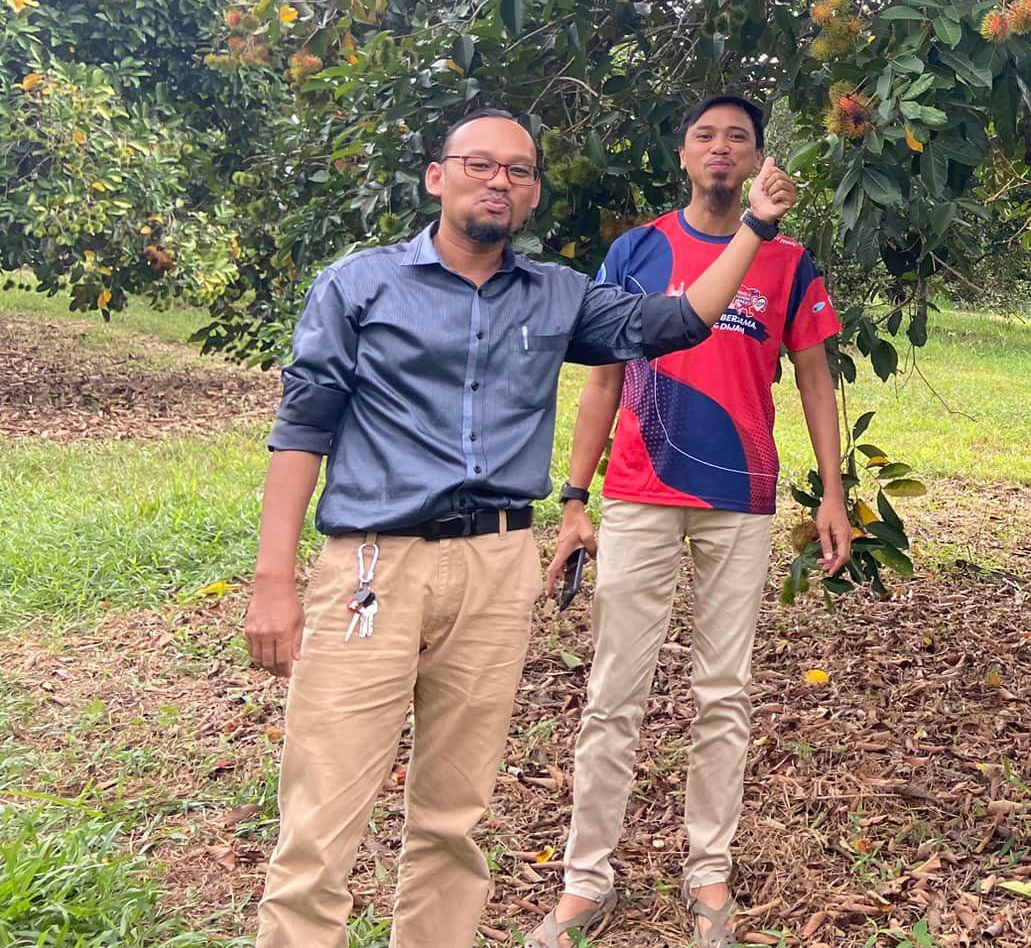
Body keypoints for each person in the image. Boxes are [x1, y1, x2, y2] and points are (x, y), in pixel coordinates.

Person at [242, 107, 798, 948]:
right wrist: (272, 579)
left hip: (498, 563)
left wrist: (754, 227)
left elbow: (676, 323)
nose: (498, 181)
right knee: (321, 824)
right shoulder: (359, 284)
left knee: (452, 822)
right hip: (373, 567)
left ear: (533, 194)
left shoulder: (558, 295)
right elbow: (303, 428)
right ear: (438, 176)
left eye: (518, 171)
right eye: (480, 164)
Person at [530, 93, 852, 948]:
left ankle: (708, 873)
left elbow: (816, 379)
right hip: (638, 492)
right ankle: (584, 881)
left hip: (740, 500)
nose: (719, 148)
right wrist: (574, 498)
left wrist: (832, 493)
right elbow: (600, 377)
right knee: (613, 694)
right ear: (683, 156)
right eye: (705, 136)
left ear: (752, 163)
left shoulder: (788, 263)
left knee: (724, 693)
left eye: (736, 139)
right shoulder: (636, 251)